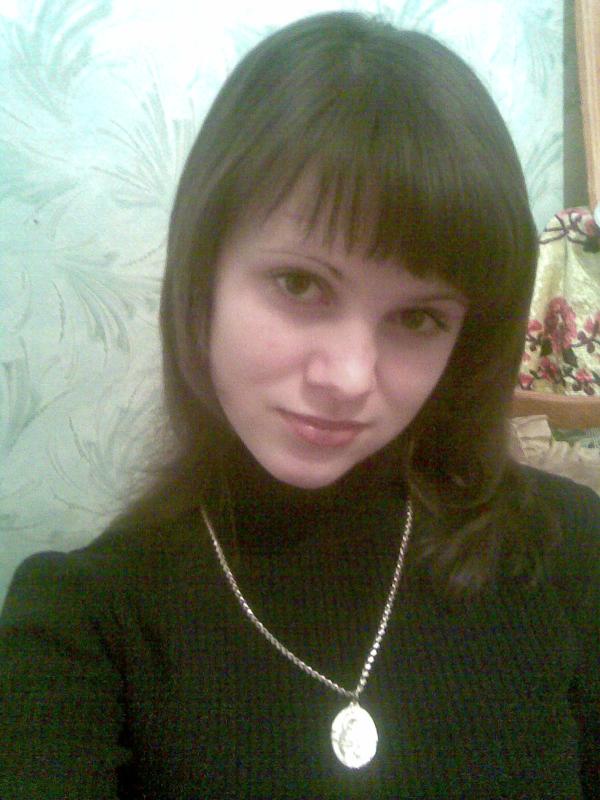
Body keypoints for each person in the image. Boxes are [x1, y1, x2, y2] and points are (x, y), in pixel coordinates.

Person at [1, 11, 598, 799]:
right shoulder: (79, 628)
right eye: (300, 283)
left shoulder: (568, 550)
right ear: (203, 278)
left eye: (418, 318)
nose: (349, 377)